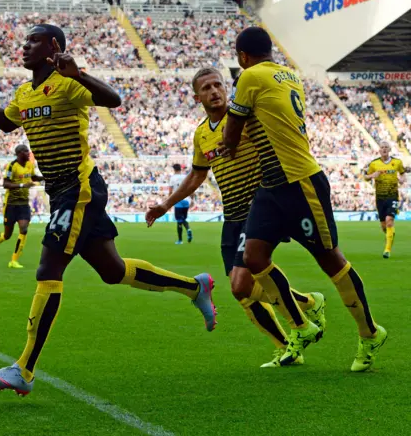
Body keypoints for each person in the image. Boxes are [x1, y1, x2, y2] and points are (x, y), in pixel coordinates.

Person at [0, 24, 216, 396]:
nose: (24, 46)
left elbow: (114, 99)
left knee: (48, 268)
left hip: (80, 188)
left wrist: (80, 73)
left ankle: (23, 369)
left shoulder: (69, 83)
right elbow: (4, 122)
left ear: (53, 46)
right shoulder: (25, 93)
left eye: (34, 41)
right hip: (61, 192)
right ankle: (194, 287)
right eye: (24, 41)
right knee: (112, 270)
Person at [222, 27, 387, 371]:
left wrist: (228, 146)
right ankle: (302, 324)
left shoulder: (250, 76)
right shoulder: (288, 74)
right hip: (271, 186)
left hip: (300, 182)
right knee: (254, 257)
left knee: (331, 260)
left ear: (242, 56)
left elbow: (233, 130)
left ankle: (370, 332)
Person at [147, 67, 325, 367]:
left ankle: (302, 324)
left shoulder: (244, 119)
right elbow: (196, 176)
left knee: (242, 283)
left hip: (260, 206)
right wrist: (165, 205)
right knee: (240, 291)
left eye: (218, 85)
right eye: (206, 87)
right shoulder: (201, 133)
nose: (214, 91)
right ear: (197, 96)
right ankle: (296, 327)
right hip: (232, 215)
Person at [0, 144, 43, 269]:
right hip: (11, 204)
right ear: (19, 153)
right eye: (26, 151)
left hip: (23, 203)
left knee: (23, 229)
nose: (29, 153)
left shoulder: (30, 164)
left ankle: (14, 260)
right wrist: (22, 186)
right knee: (7, 235)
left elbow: (33, 177)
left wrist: (45, 178)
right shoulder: (12, 166)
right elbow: (5, 184)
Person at [365, 142, 408, 258]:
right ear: (379, 150)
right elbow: (366, 177)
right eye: (382, 147)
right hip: (380, 198)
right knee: (384, 226)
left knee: (389, 220)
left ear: (389, 149)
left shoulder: (397, 162)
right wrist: (372, 175)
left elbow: (403, 174)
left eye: (386, 147)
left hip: (392, 196)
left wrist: (402, 180)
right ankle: (390, 233)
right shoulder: (374, 164)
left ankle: (387, 250)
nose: (384, 149)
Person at [170, 163, 193, 244]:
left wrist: (169, 202)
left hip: (178, 200)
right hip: (186, 200)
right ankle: (188, 230)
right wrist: (192, 199)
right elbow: (190, 188)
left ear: (174, 169)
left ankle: (180, 240)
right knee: (182, 219)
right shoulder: (185, 177)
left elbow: (170, 190)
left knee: (179, 220)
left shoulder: (173, 178)